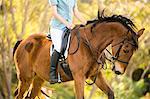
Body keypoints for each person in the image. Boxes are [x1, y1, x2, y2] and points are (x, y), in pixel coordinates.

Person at [49, 0, 86, 84]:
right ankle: (52, 74)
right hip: (57, 28)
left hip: (68, 27)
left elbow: (76, 12)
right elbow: (54, 13)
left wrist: (86, 23)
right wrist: (66, 23)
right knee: (58, 47)